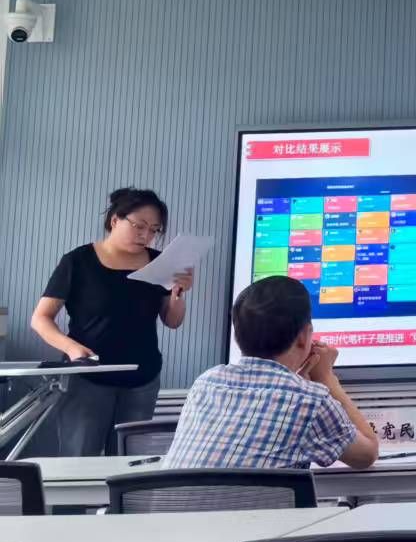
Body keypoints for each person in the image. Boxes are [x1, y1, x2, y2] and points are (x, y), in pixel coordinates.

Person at [31, 188, 193, 456]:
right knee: (79, 460)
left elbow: (172, 321)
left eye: (154, 230)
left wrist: (178, 293)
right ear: (115, 220)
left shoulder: (159, 263)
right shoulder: (78, 261)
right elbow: (40, 318)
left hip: (142, 378)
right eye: (139, 226)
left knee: (130, 462)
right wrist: (72, 349)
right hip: (87, 377)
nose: (146, 235)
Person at [165, 276, 378, 471]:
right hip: (251, 505)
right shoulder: (311, 401)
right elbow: (367, 454)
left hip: (170, 502)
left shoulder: (207, 382)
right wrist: (326, 379)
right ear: (304, 336)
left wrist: (301, 382)